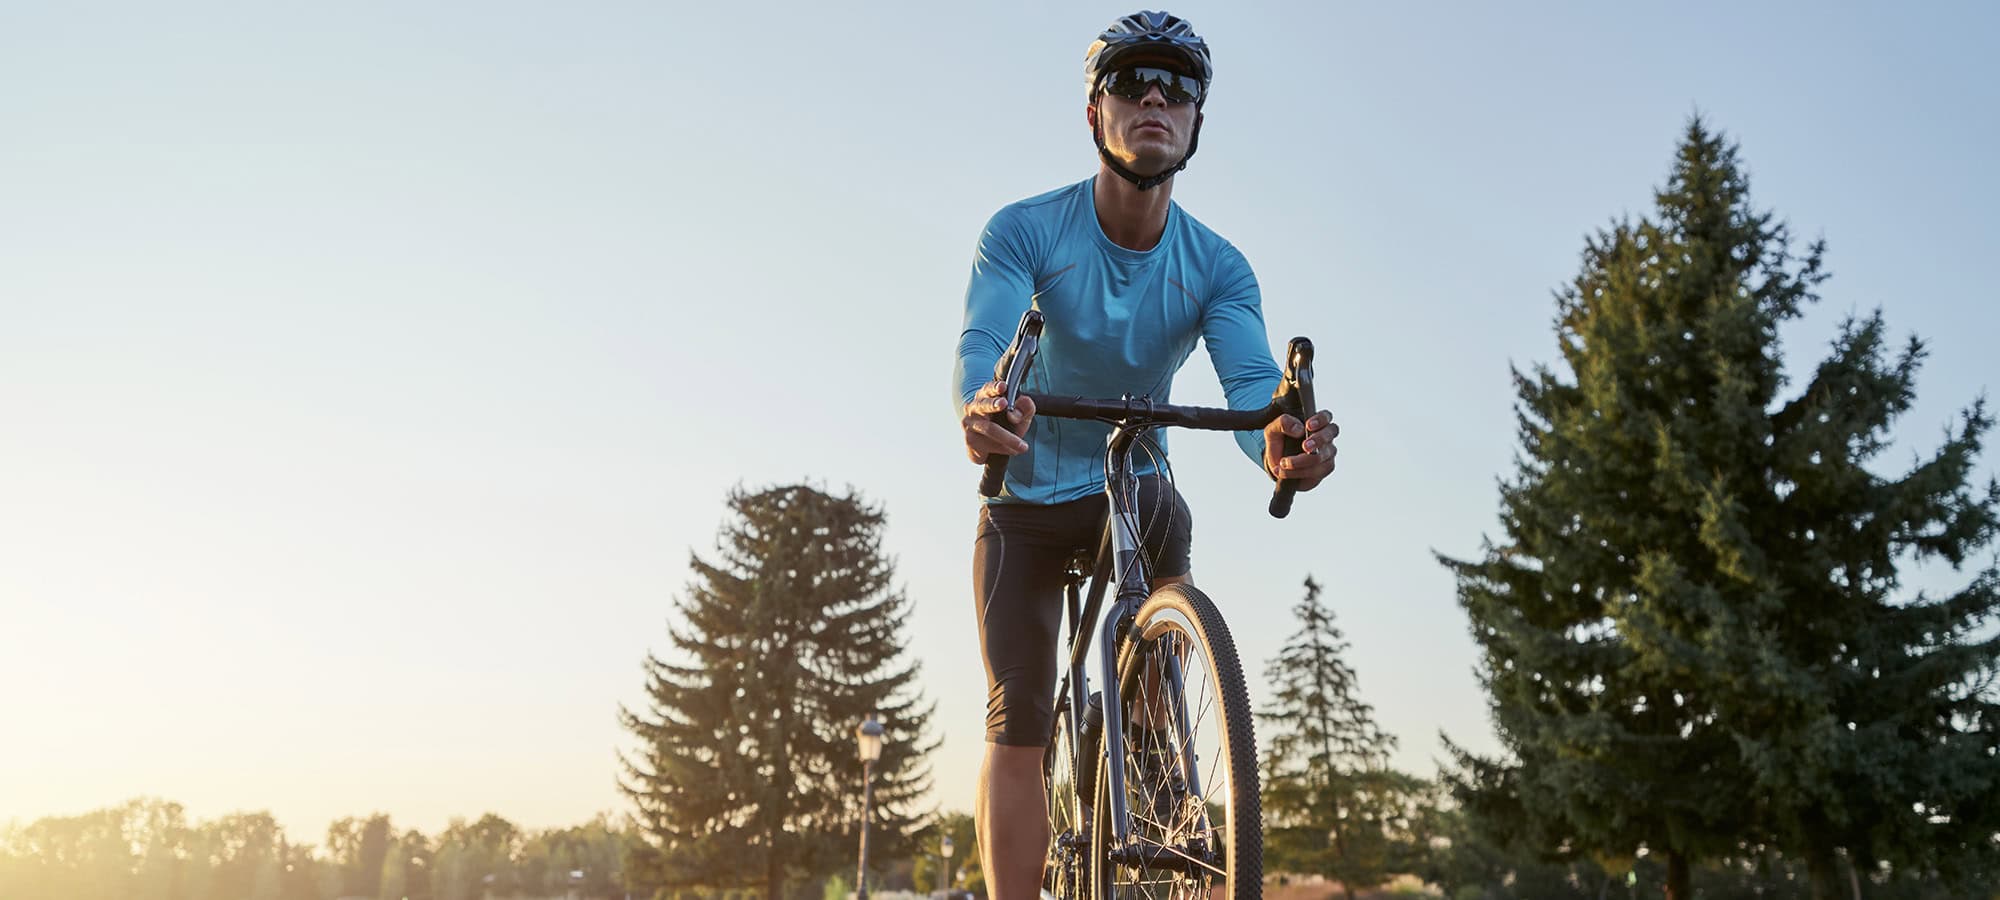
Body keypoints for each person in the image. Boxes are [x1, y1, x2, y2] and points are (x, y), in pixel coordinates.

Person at [951, 10, 1338, 898]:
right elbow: (983, 346)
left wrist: (1280, 446)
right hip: (1026, 495)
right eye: (1132, 82)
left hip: (1135, 481)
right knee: (1017, 721)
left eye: (1179, 87)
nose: (1157, 97)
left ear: (1198, 122)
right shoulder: (1023, 230)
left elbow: (1251, 390)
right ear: (1097, 114)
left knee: (1167, 520)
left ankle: (1158, 750)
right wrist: (981, 407)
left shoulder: (1219, 266)